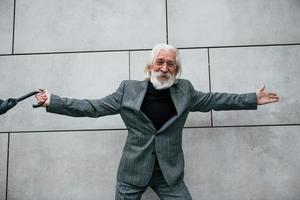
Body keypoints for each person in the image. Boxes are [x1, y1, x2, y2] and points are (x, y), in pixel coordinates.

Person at [35, 43, 279, 200]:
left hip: (168, 173)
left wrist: (252, 99)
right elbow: (93, 107)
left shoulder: (186, 91)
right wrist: (53, 102)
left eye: (170, 63)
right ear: (150, 66)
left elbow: (216, 99)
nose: (164, 67)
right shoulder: (127, 90)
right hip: (131, 173)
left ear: (176, 69)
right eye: (160, 62)